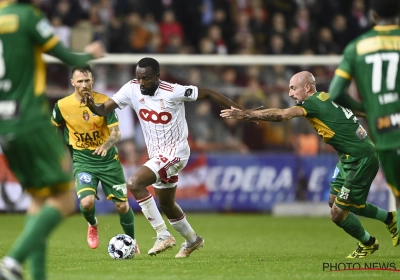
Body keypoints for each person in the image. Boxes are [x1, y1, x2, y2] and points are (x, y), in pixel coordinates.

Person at [220, 71, 398, 258]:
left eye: (293, 88)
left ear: (307, 88)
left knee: (338, 213)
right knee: (334, 201)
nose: (290, 94)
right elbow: (359, 110)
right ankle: (389, 218)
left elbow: (282, 115)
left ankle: (369, 242)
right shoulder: (327, 97)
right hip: (348, 157)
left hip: (361, 159)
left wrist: (246, 114)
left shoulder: (310, 103)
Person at [81, 57, 242, 258]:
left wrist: (239, 111)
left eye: (146, 79)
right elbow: (103, 109)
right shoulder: (131, 89)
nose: (141, 83)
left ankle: (162, 234)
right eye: (139, 78)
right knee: (166, 204)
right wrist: (90, 104)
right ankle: (193, 240)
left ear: (157, 77)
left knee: (134, 183)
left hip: (176, 152)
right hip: (157, 155)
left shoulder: (173, 91)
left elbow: (208, 92)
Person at [0, 1, 104, 280]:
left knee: (38, 200)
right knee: (65, 200)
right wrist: (89, 53)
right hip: (31, 121)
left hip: (4, 123)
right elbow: (68, 57)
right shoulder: (27, 17)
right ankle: (11, 262)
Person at [328, 0, 400, 239]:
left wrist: (367, 110)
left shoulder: (357, 47)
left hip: (387, 132)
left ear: (373, 15)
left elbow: (337, 92)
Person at [51, 65, 139, 253]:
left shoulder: (104, 102)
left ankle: (131, 242)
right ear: (72, 82)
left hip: (109, 161)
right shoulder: (62, 105)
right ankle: (93, 225)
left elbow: (116, 133)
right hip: (83, 161)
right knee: (86, 202)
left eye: (87, 80)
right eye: (80, 81)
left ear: (93, 81)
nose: (84, 84)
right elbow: (52, 129)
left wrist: (105, 146)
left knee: (122, 206)